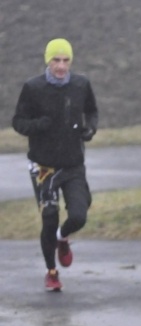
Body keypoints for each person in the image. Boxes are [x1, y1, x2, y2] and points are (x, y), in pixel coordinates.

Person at [12, 38, 98, 292]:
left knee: (80, 215)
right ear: (47, 61)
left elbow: (92, 111)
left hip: (72, 165)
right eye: (55, 60)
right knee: (49, 218)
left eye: (65, 60)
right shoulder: (33, 87)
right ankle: (52, 272)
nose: (61, 66)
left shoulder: (81, 85)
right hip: (44, 167)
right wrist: (39, 125)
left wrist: (90, 129)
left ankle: (62, 238)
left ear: (71, 61)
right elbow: (18, 122)